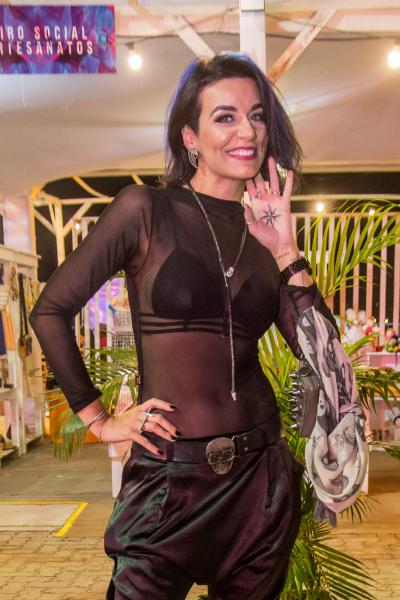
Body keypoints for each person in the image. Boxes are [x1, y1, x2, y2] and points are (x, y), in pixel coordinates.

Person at [30, 53, 338, 600]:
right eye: (226, 117)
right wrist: (99, 420)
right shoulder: (145, 210)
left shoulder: (266, 236)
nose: (248, 130)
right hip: (166, 482)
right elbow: (50, 310)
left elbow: (325, 356)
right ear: (190, 136)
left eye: (257, 115)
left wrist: (286, 251)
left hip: (259, 482)